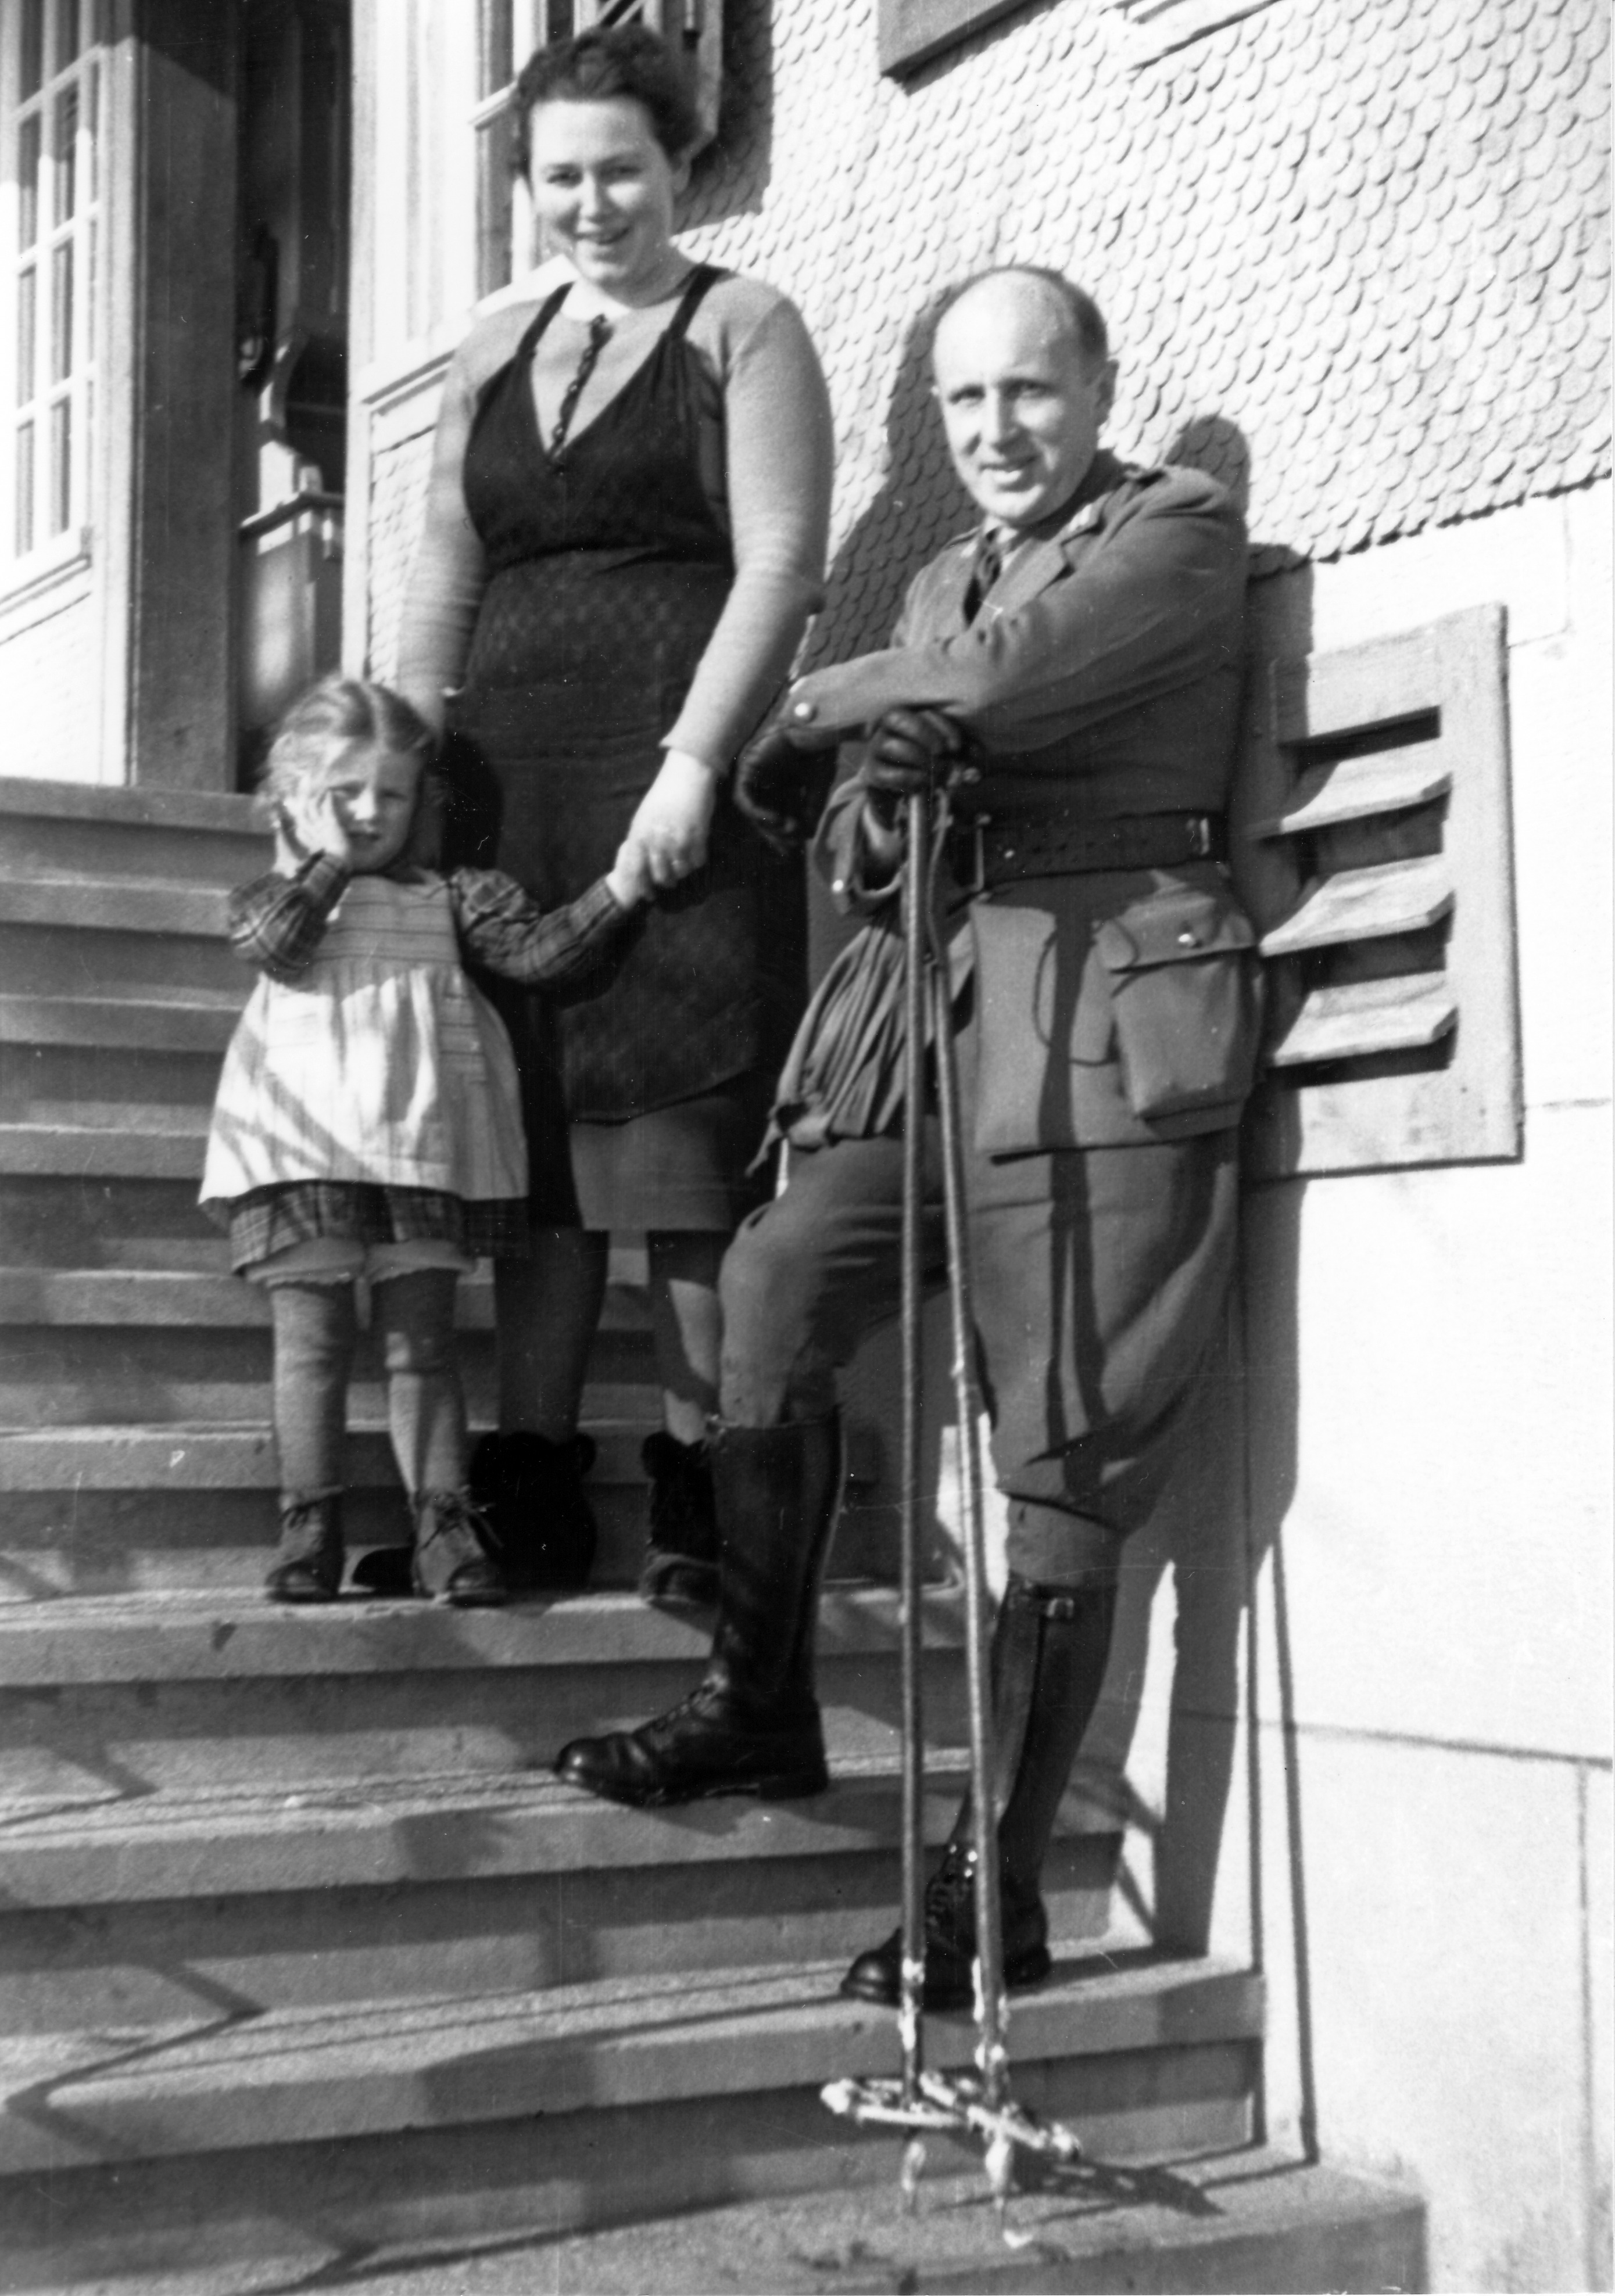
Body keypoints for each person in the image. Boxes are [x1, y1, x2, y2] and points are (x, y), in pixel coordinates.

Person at [555, 267, 1263, 2009]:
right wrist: (878, 791)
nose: (995, 430)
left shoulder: (1172, 528)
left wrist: (819, 709)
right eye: (963, 401)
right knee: (776, 1282)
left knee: (1064, 1448)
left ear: (1098, 390)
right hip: (941, 1031)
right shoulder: (943, 575)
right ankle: (759, 1699)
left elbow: (1008, 680)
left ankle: (990, 1887)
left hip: (1106, 1035)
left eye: (1029, 391)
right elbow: (877, 829)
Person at [395, 24, 834, 1605]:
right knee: (538, 1176)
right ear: (527, 183)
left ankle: (704, 1506)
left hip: (674, 794)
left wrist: (695, 765)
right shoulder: (489, 350)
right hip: (509, 799)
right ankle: (530, 1492)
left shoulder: (745, 327)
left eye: (623, 172)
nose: (593, 204)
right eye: (562, 177)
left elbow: (782, 563)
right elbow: (443, 573)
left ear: (679, 167)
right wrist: (403, 770)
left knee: (681, 1161)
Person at [200, 676, 649, 1608]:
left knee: (422, 1350)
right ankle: (309, 1528)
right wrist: (325, 860)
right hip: (300, 1152)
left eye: (392, 794)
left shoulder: (452, 897)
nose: (371, 812)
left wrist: (622, 889)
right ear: (294, 795)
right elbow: (276, 945)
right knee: (313, 1346)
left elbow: (542, 953)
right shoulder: (279, 899)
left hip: (416, 1148)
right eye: (344, 792)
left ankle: (442, 1530)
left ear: (421, 801)